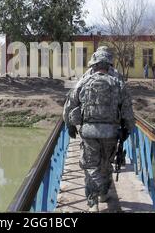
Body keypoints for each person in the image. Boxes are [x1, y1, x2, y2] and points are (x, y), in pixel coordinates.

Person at [63, 48, 135, 212]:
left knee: (90, 166)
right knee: (106, 163)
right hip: (111, 133)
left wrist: (69, 125)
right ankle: (103, 193)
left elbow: (70, 105)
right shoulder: (118, 83)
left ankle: (92, 203)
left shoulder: (84, 81)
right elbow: (128, 110)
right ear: (109, 64)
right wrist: (127, 130)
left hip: (89, 132)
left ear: (94, 64)